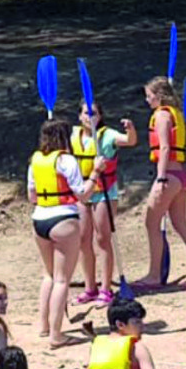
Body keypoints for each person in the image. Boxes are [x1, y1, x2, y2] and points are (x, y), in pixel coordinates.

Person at [132, 78, 186, 290]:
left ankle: (154, 275)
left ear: (159, 95)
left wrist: (160, 177)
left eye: (149, 95)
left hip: (170, 176)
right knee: (182, 225)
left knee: (151, 224)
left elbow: (165, 148)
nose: (147, 100)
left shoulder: (162, 115)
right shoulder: (175, 113)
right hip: (180, 175)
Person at [28, 119, 94, 348]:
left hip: (39, 219)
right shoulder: (66, 160)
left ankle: (44, 326)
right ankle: (57, 335)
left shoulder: (35, 160)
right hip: (63, 220)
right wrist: (95, 174)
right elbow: (83, 195)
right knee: (62, 279)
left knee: (48, 275)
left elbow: (32, 196)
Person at [73, 106, 138, 306]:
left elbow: (130, 141)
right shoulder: (74, 136)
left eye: (94, 113)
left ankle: (105, 289)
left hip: (104, 193)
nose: (89, 117)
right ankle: (90, 288)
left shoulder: (107, 135)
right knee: (84, 240)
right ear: (79, 116)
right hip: (84, 191)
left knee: (102, 239)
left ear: (100, 116)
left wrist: (130, 129)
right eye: (86, 113)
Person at [80, 297, 166, 369]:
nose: (142, 326)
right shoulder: (137, 347)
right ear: (120, 324)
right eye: (137, 322)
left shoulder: (97, 343)